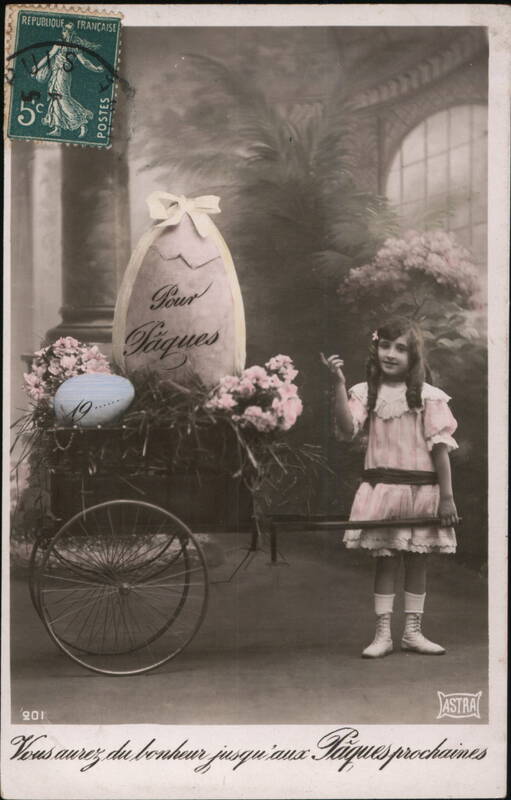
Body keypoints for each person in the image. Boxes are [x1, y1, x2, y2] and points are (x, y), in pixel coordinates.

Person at [321, 316, 459, 658]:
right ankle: (382, 633)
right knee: (386, 560)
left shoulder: (429, 398)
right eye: (385, 345)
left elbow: (440, 451)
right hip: (383, 490)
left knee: (417, 560)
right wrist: (338, 384)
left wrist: (447, 498)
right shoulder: (365, 392)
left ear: (414, 356)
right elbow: (347, 427)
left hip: (421, 491)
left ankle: (413, 631)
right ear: (375, 349)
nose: (391, 354)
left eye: (401, 348)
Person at [31, 22, 103, 138]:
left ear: (72, 33)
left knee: (63, 100)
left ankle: (82, 122)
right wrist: (37, 67)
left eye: (67, 30)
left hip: (63, 75)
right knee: (55, 99)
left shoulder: (75, 47)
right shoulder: (60, 43)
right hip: (55, 74)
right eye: (64, 30)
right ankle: (57, 128)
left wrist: (95, 69)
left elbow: (84, 61)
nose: (64, 32)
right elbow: (49, 56)